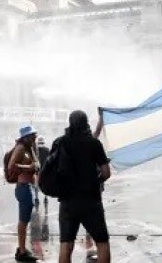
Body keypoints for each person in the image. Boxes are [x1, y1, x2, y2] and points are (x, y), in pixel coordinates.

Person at [54, 110, 111, 263]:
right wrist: (94, 181)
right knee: (102, 242)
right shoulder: (93, 143)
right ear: (86, 123)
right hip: (90, 200)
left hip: (67, 201)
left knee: (66, 245)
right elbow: (106, 173)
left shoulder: (60, 142)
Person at [8, 125, 40, 262]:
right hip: (23, 187)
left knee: (25, 220)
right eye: (32, 135)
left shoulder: (29, 148)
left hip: (28, 187)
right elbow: (11, 166)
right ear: (25, 137)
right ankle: (21, 251)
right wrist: (29, 167)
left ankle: (21, 248)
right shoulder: (20, 148)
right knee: (23, 221)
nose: (35, 137)